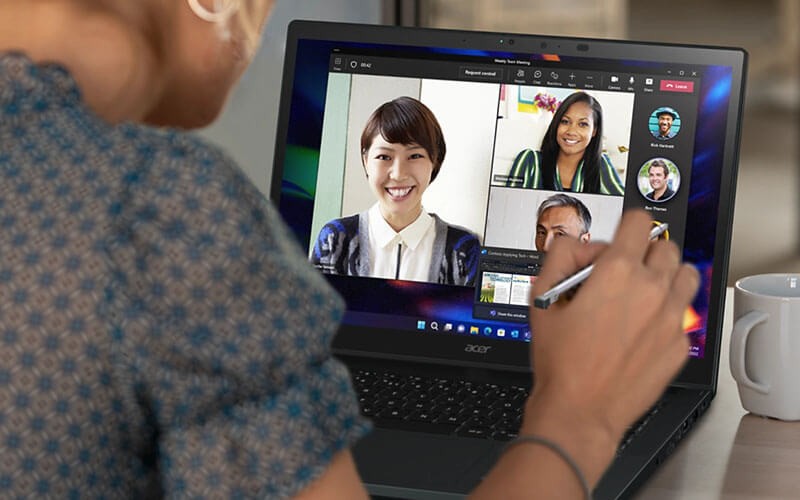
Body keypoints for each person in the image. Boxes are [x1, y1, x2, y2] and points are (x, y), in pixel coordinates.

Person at [0, 1, 700, 498]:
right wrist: (580, 416)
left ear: (435, 167)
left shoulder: (461, 247)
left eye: (415, 157)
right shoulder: (160, 208)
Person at [311, 96, 480, 286]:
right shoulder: (336, 240)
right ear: (366, 161)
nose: (399, 174)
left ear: (435, 161)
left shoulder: (465, 249)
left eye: (415, 156)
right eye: (384, 156)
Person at [505, 91, 625, 196]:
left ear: (594, 131)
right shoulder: (530, 161)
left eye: (582, 124)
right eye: (565, 121)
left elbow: (626, 206)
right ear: (557, 124)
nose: (571, 131)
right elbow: (506, 206)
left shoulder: (600, 165)